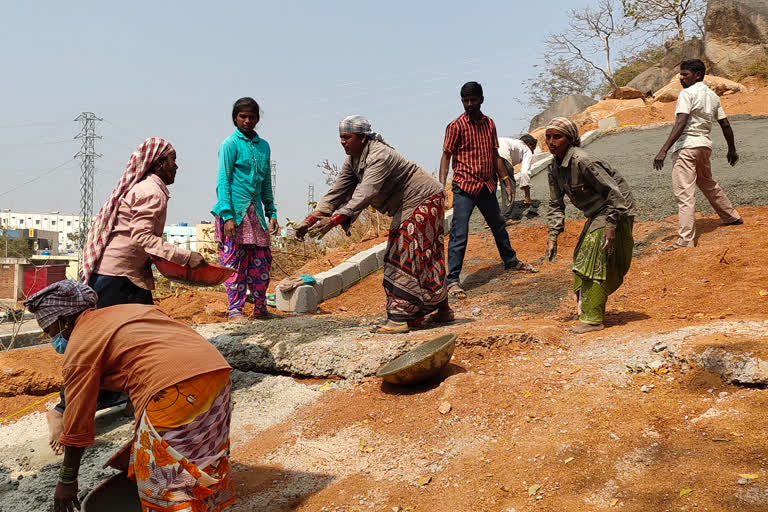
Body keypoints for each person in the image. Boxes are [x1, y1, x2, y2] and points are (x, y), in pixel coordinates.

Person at [45, 138, 207, 454]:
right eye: (173, 160)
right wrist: (186, 258)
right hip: (117, 279)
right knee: (99, 348)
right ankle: (63, 410)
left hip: (123, 276)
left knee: (135, 344)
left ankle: (134, 398)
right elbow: (144, 237)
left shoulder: (146, 188)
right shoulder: (152, 191)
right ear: (159, 163)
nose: (177, 167)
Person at [23, 280, 234, 512]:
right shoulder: (128, 311)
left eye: (49, 331)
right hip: (217, 376)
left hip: (178, 390)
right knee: (199, 457)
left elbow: (77, 424)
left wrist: (67, 480)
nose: (51, 338)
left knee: (166, 484)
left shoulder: (80, 347)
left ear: (63, 321)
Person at [295, 115, 453, 334]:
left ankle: (399, 319)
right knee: (426, 256)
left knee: (400, 256)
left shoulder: (379, 155)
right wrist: (308, 221)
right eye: (341, 138)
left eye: (347, 137)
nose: (343, 142)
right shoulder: (354, 159)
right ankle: (443, 309)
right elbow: (337, 191)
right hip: (416, 202)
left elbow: (366, 192)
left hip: (423, 198)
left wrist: (334, 220)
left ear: (362, 138)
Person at [440, 81, 537, 299]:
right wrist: (441, 186)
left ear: (481, 99)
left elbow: (495, 155)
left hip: (486, 185)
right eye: (465, 101)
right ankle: (453, 280)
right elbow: (446, 155)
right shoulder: (455, 126)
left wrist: (505, 179)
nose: (469, 104)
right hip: (464, 186)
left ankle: (510, 262)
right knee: (459, 232)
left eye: (473, 100)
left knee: (498, 225)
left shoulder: (489, 124)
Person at [544, 117, 635, 334]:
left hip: (615, 209)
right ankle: (587, 308)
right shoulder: (553, 168)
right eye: (548, 137)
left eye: (557, 137)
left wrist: (612, 226)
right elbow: (555, 204)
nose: (551, 142)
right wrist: (552, 236)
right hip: (595, 213)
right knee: (581, 257)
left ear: (570, 139)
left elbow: (615, 194)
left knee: (593, 259)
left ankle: (593, 320)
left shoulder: (583, 161)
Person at [653, 58, 743, 251]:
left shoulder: (686, 94)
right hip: (704, 147)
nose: (681, 78)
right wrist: (732, 149)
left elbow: (681, 122)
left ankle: (685, 240)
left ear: (697, 75)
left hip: (686, 148)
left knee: (684, 193)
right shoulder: (713, 96)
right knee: (707, 183)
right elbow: (725, 125)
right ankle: (731, 216)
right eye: (680, 74)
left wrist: (663, 150)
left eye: (685, 74)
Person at [212, 97, 279, 322]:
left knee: (260, 261)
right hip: (235, 213)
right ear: (235, 119)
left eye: (251, 117)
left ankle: (260, 308)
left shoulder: (264, 147)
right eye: (243, 117)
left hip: (256, 215)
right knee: (234, 263)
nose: (247, 121)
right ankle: (235, 310)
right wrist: (228, 215)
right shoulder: (230, 144)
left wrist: (272, 212)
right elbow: (223, 181)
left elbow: (266, 182)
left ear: (257, 118)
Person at [498, 134, 538, 223]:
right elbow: (524, 172)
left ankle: (490, 219)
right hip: (502, 155)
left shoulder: (513, 143)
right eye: (533, 149)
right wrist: (527, 196)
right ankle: (505, 217)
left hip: (487, 153)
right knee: (509, 186)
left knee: (490, 187)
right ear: (529, 144)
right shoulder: (526, 149)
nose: (533, 152)